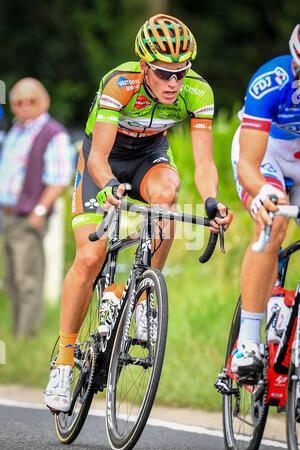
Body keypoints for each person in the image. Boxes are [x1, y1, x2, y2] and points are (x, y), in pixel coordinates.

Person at [44, 13, 233, 412]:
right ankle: (63, 358)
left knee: (167, 195)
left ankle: (143, 292)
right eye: (164, 74)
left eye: (181, 73)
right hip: (104, 160)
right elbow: (97, 155)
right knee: (91, 255)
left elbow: (203, 164)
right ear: (145, 66)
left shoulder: (197, 92)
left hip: (149, 156)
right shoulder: (119, 83)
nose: (174, 83)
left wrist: (212, 199)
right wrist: (111, 185)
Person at [231, 25, 300, 381]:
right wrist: (264, 192)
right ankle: (247, 341)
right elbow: (248, 164)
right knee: (273, 220)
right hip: (266, 153)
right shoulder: (271, 81)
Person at [0, 78, 75, 338]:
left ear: (44, 101)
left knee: (27, 278)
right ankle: (17, 334)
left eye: (31, 101)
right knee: (11, 280)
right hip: (8, 215)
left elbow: (60, 178)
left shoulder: (51, 133)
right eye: (18, 102)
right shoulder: (15, 131)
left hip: (28, 216)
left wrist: (40, 210)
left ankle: (26, 336)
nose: (25, 107)